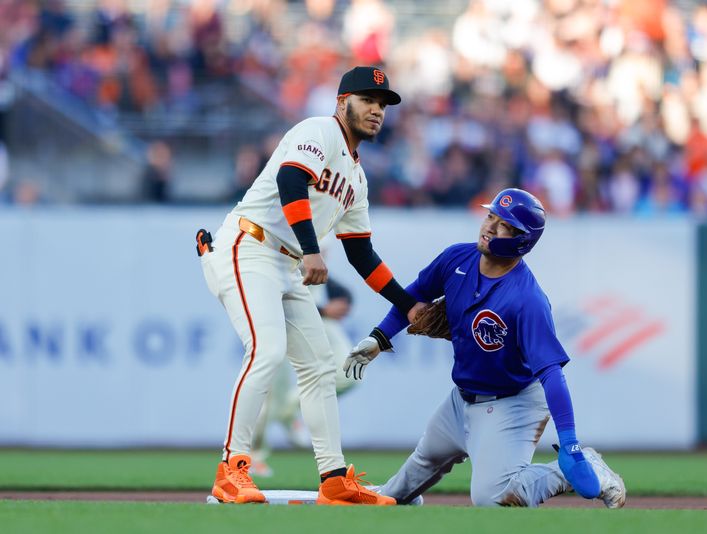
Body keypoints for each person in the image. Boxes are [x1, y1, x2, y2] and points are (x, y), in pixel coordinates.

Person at [197, 66, 424, 505]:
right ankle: (232, 469)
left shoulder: (356, 179)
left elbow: (361, 254)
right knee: (266, 349)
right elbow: (289, 180)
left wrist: (408, 304)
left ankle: (334, 478)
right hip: (250, 244)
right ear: (343, 103)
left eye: (382, 104)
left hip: (287, 263)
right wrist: (311, 248)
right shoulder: (319, 129)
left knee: (321, 366)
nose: (376, 110)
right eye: (367, 100)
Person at [343, 188, 627, 508]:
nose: (489, 226)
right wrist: (380, 337)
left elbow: (551, 374)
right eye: (490, 215)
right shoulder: (457, 258)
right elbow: (414, 297)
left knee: (491, 499)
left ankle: (588, 466)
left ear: (522, 238)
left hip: (512, 403)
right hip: (461, 398)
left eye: (503, 223)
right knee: (391, 496)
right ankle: (403, 498)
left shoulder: (527, 299)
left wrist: (571, 444)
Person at [250, 275, 360, 477]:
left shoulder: (320, 245)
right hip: (281, 319)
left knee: (349, 371)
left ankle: (287, 410)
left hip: (315, 318)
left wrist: (343, 298)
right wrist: (325, 309)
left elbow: (318, 270)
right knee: (272, 392)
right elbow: (277, 285)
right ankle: (252, 457)